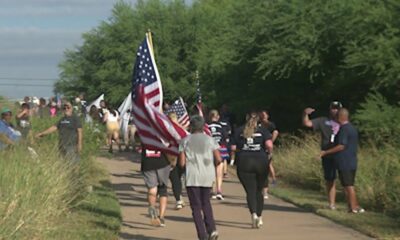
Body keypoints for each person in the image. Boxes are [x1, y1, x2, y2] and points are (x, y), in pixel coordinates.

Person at [179, 115, 221, 240]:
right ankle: (212, 229)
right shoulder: (210, 140)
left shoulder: (185, 140)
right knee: (206, 203)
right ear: (203, 126)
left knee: (196, 207)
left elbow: (181, 163)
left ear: (191, 126)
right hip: (207, 175)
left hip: (192, 176)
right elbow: (218, 159)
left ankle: (202, 235)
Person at [231, 112, 273, 229]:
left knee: (250, 191)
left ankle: (253, 214)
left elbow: (233, 148)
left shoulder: (239, 130)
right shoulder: (263, 130)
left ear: (246, 118)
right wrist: (269, 154)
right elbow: (269, 145)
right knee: (259, 190)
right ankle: (259, 217)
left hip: (244, 162)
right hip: (261, 161)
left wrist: (235, 155)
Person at [320, 108, 365, 213]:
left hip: (345, 161)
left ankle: (354, 207)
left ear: (340, 117)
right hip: (352, 160)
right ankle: (351, 206)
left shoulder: (344, 129)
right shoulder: (352, 128)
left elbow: (341, 146)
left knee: (348, 185)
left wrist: (326, 152)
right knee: (348, 184)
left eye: (336, 117)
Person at [303, 101, 342, 210]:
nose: (335, 110)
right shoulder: (323, 121)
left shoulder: (343, 122)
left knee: (345, 180)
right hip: (327, 154)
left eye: (337, 108)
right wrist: (305, 114)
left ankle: (350, 205)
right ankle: (332, 203)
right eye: (333, 108)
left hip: (341, 154)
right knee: (330, 179)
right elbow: (307, 123)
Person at [141, 147, 170, 227]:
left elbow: (137, 138)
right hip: (163, 162)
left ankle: (152, 209)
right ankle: (161, 217)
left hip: (148, 162)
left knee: (152, 188)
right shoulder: (164, 134)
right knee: (163, 190)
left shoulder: (145, 134)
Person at [208, 109, 229, 200]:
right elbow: (226, 138)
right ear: (218, 117)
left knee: (211, 170)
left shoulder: (207, 126)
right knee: (219, 171)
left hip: (209, 149)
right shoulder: (222, 126)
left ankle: (212, 190)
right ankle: (219, 190)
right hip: (220, 148)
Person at [167, 112, 186, 210]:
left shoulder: (167, 128)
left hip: (172, 155)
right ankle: (180, 197)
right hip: (183, 155)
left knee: (174, 178)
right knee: (178, 177)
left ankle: (178, 199)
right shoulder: (182, 130)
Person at [259, 110, 279, 199]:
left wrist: (271, 141)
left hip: (267, 147)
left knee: (268, 164)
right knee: (265, 164)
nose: (263, 116)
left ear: (267, 116)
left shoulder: (270, 125)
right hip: (260, 147)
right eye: (261, 115)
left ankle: (273, 179)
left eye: (264, 115)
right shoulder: (259, 124)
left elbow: (276, 132)